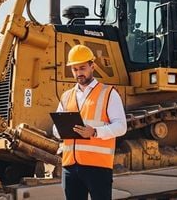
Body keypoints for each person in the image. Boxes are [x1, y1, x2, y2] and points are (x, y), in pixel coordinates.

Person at [53, 45, 127, 200]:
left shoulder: (108, 93)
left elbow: (121, 127)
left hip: (97, 167)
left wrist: (94, 132)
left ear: (92, 66)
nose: (79, 73)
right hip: (70, 167)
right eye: (75, 69)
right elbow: (55, 128)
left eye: (82, 68)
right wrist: (60, 130)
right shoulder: (66, 96)